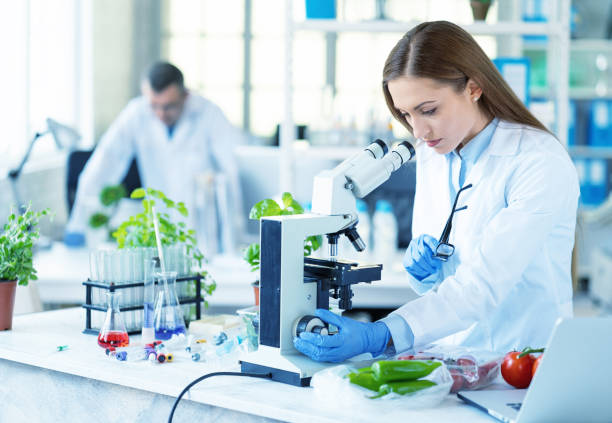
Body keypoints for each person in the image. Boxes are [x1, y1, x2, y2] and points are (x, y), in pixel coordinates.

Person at [294, 21, 579, 362]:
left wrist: (381, 333)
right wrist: (423, 274)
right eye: (405, 114)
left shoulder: (537, 160)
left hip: (521, 360)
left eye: (429, 110)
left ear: (474, 87)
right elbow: (443, 285)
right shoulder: (435, 153)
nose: (419, 129)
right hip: (453, 358)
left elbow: (482, 285)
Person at [65, 62, 245, 250]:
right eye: (154, 106)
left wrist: (234, 235)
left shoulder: (209, 114)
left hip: (204, 232)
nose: (160, 114)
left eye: (169, 106)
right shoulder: (137, 113)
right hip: (160, 227)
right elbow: (105, 162)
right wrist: (78, 224)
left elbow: (231, 173)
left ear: (185, 96)